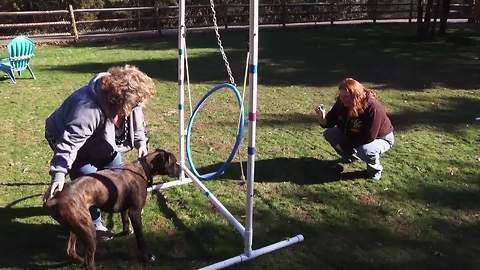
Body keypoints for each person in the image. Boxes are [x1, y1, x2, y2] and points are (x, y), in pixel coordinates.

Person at [43, 64, 155, 240]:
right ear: (120, 98)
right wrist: (59, 173)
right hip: (64, 136)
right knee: (89, 181)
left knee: (117, 172)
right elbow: (69, 143)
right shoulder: (88, 110)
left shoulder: (130, 102)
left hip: (98, 141)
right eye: (136, 102)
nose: (140, 104)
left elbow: (137, 118)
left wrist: (141, 143)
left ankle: (119, 211)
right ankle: (93, 225)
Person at [314, 78, 394, 181]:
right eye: (341, 96)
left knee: (365, 150)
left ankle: (375, 171)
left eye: (346, 97)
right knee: (330, 134)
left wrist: (345, 145)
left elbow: (369, 136)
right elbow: (330, 121)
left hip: (380, 138)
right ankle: (350, 157)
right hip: (353, 133)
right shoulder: (342, 102)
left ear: (356, 95)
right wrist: (323, 119)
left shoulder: (373, 108)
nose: (343, 99)